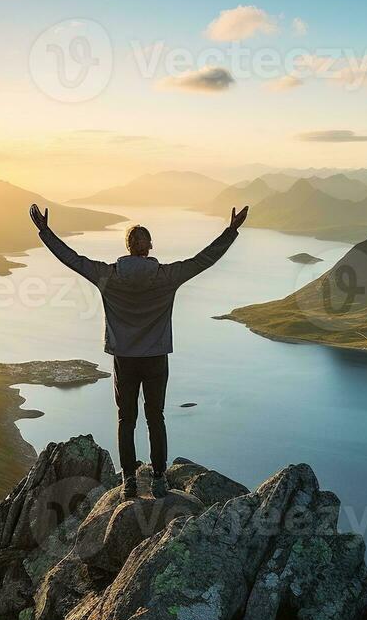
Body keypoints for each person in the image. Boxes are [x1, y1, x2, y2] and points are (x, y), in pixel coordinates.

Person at [28, 203, 248, 500]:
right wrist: (231, 230)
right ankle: (158, 480)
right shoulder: (166, 276)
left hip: (125, 360)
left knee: (125, 420)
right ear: (149, 247)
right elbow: (203, 260)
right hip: (156, 358)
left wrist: (45, 232)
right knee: (155, 417)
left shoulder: (109, 275)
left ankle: (129, 482)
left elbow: (73, 260)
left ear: (128, 248)